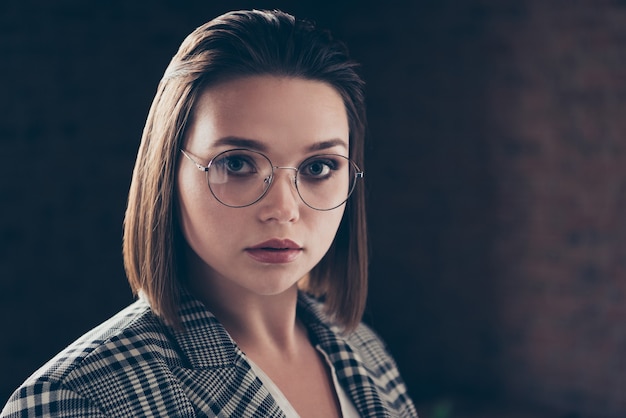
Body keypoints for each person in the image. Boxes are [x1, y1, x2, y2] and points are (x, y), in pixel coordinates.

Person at [2, 9, 417, 417]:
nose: (283, 210)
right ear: (167, 171)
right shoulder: (76, 399)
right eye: (236, 164)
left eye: (318, 168)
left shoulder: (363, 350)